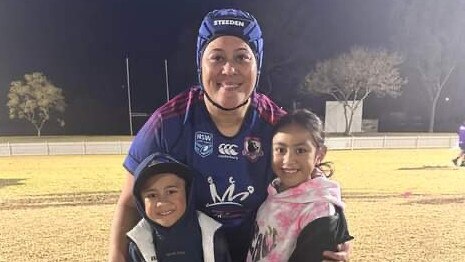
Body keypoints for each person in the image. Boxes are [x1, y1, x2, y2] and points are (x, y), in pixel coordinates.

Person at [109, 8, 351, 262]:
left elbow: (316, 186)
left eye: (242, 57)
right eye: (217, 57)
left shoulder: (278, 126)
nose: (229, 69)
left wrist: (336, 236)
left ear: (257, 65)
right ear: (200, 64)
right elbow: (128, 204)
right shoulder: (167, 124)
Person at [247, 109, 353, 262]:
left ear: (319, 155)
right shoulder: (273, 191)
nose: (288, 160)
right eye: (280, 150)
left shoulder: (320, 212)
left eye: (300, 150)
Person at [126, 153, 230, 262]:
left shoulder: (212, 233)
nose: (162, 203)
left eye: (171, 192)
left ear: (187, 192)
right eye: (152, 195)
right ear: (140, 202)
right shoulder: (138, 241)